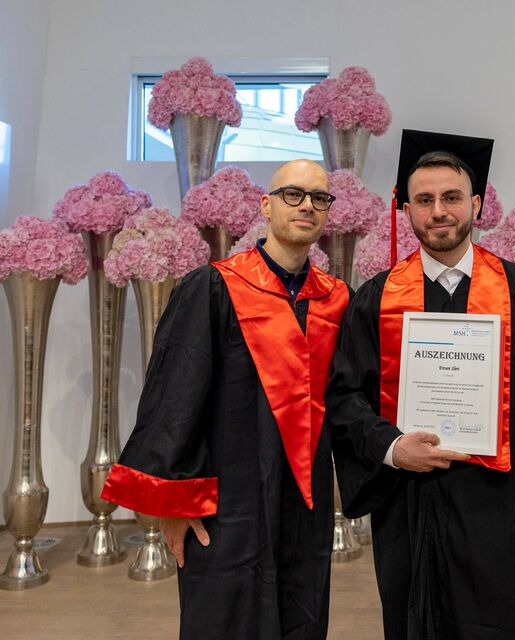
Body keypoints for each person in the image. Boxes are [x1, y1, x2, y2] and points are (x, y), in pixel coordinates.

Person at [326, 130, 515, 639]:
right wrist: (392, 448)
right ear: (406, 211)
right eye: (424, 200)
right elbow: (345, 398)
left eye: (451, 197)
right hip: (410, 499)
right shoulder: (377, 298)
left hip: (496, 500)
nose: (438, 211)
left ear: (475, 204)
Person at [101, 159, 349, 640]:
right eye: (293, 194)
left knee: (301, 612)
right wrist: (175, 502)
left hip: (305, 502)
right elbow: (175, 398)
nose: (307, 206)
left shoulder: (336, 299)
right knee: (225, 618)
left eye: (319, 198)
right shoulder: (213, 287)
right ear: (267, 205)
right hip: (228, 503)